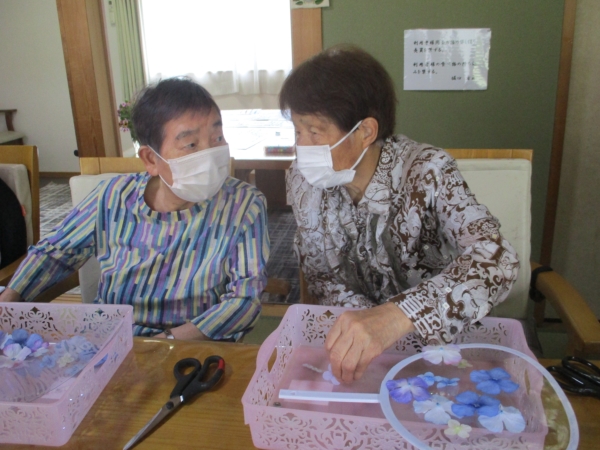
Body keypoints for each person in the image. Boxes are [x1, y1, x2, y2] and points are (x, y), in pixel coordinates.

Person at [281, 45, 519, 383]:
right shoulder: (305, 182)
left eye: (314, 132)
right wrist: (367, 330)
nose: (301, 147)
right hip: (363, 356)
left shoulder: (427, 171)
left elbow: (498, 259)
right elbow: (322, 277)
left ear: (365, 131)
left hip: (444, 352)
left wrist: (396, 317)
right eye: (297, 131)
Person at [0, 77, 270, 342]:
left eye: (217, 137)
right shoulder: (112, 197)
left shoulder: (244, 204)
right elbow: (54, 253)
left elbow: (244, 299)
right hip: (111, 339)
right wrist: (8, 300)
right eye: (191, 144)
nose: (209, 154)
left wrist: (165, 343)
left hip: (193, 345)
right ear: (151, 159)